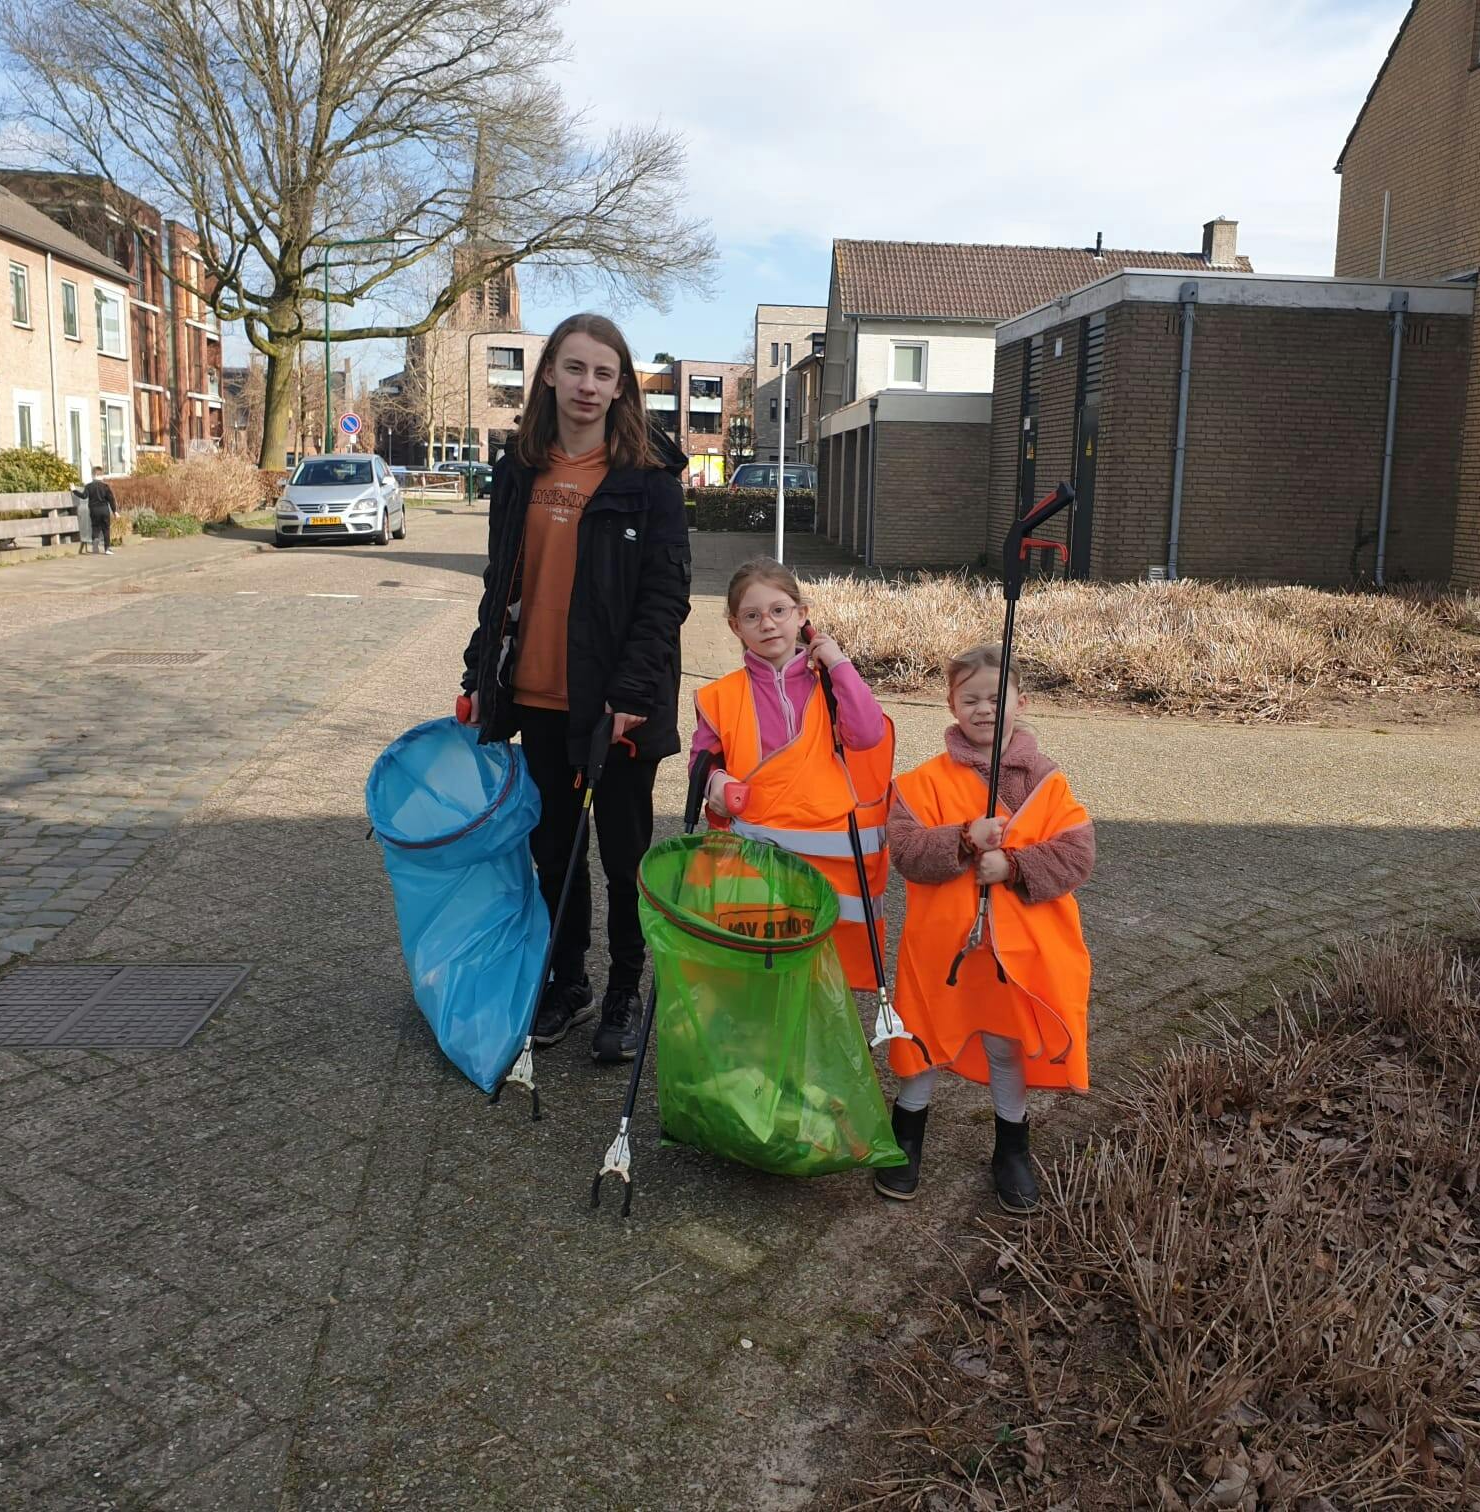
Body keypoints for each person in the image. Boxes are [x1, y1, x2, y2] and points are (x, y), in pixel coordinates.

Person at [459, 313, 692, 1064]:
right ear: (549, 374)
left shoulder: (649, 481)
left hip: (618, 709)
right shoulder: (521, 468)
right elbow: (503, 582)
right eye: (575, 368)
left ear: (621, 386)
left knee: (625, 859)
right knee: (553, 851)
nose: (588, 385)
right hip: (537, 698)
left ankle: (625, 987)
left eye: (604, 373)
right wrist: (476, 672)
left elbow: (666, 596)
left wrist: (630, 693)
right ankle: (569, 981)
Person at [878, 644, 1094, 1214]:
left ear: (1021, 702)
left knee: (1005, 1043)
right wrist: (964, 841)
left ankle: (1012, 1148)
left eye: (996, 698)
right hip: (942, 950)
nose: (982, 709)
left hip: (1014, 955)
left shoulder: (1047, 783)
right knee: (924, 1037)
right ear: (951, 704)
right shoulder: (922, 783)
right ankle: (905, 1136)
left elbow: (1077, 854)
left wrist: (1017, 866)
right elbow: (905, 850)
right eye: (969, 698)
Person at [691, 558, 893, 991]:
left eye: (779, 611)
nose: (767, 624)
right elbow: (701, 762)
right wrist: (716, 783)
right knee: (760, 978)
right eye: (752, 615)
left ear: (801, 615)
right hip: (754, 862)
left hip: (831, 867)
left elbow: (868, 734)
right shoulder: (720, 696)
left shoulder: (831, 686)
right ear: (734, 627)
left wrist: (839, 665)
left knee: (822, 983)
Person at [82, 468, 116, 555]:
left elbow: (83, 496)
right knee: (106, 529)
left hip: (94, 510)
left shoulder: (88, 486)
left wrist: (74, 490)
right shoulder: (105, 487)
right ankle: (107, 548)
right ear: (102, 475)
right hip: (104, 510)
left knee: (95, 527)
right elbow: (111, 499)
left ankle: (95, 542)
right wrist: (114, 511)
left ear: (93, 475)